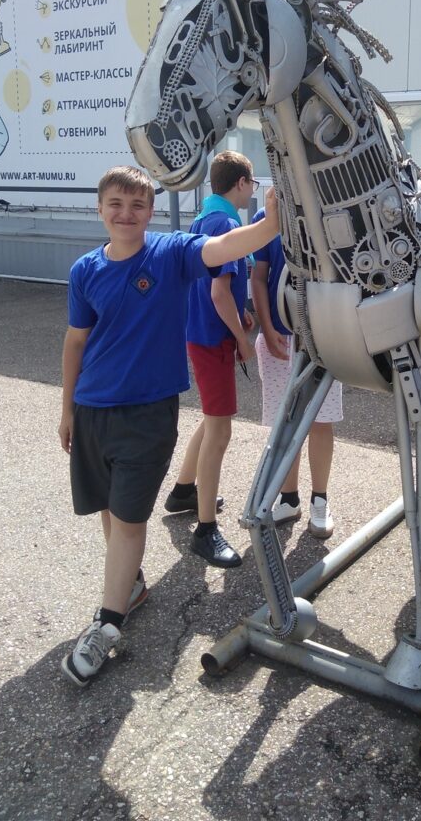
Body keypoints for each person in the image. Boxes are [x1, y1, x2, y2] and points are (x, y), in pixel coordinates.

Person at [58, 164, 279, 687]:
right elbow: (74, 343)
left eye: (137, 205)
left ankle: (107, 626)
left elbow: (229, 249)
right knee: (109, 508)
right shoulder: (84, 270)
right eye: (115, 204)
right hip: (92, 408)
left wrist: (277, 218)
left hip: (148, 414)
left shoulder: (173, 253)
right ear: (100, 209)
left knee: (131, 519)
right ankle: (129, 586)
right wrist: (67, 409)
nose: (126, 214)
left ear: (151, 212)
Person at [163, 151, 257, 569]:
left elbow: (219, 290)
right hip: (214, 338)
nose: (253, 190)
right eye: (252, 183)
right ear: (240, 183)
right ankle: (205, 529)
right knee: (220, 431)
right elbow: (220, 294)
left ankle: (184, 490)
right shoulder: (227, 224)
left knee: (211, 417)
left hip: (201, 333)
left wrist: (242, 312)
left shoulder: (205, 219)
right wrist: (242, 336)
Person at [250, 209, 343, 539]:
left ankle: (320, 499)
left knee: (320, 420)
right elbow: (259, 276)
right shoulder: (268, 215)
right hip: (278, 336)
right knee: (283, 422)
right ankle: (289, 498)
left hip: (324, 336)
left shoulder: (333, 211)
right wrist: (264, 323)